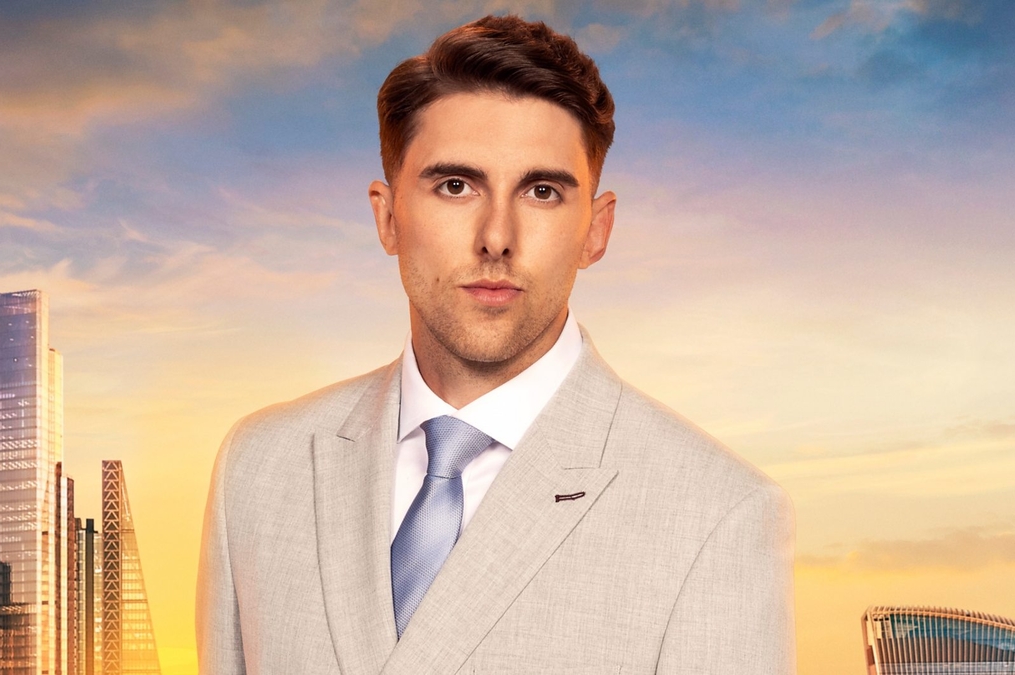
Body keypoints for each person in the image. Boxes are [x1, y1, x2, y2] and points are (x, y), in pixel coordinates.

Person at [197, 14, 794, 674]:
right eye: (456, 185)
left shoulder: (716, 514)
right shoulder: (259, 467)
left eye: (541, 191)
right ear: (388, 215)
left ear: (595, 231)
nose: (496, 236)